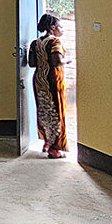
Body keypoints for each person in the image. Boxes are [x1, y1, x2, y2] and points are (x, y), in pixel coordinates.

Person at [27, 12, 69, 159]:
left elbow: (32, 63)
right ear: (53, 27)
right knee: (57, 112)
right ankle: (55, 148)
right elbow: (57, 61)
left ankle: (47, 141)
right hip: (53, 80)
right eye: (60, 26)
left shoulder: (35, 43)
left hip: (39, 79)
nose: (62, 30)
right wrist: (67, 60)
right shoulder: (55, 42)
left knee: (44, 110)